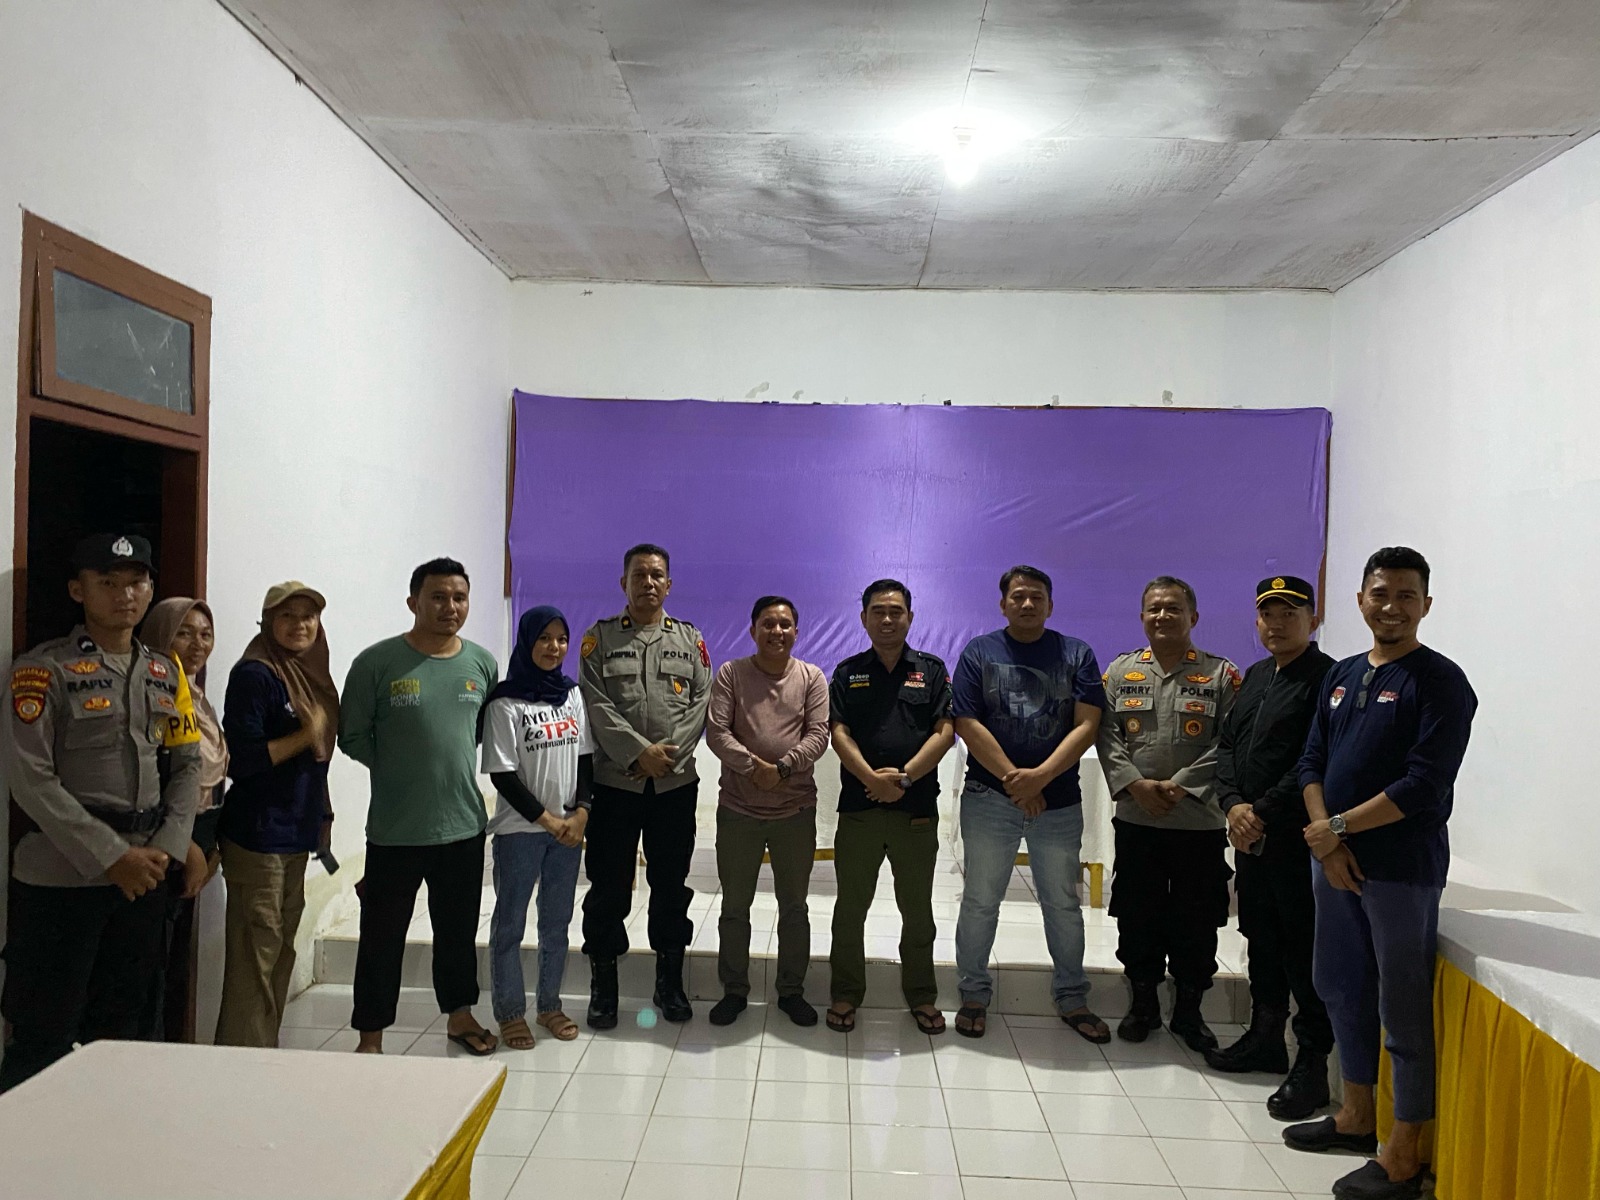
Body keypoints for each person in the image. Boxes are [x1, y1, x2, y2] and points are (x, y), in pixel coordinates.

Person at [1286, 548, 1476, 1200]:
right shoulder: (1340, 675)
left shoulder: (1441, 682)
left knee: (1402, 1008)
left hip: (1399, 870)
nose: (1391, 607)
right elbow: (1312, 761)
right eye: (1380, 594)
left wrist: (1337, 830)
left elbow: (1425, 784)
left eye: (1405, 596)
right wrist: (1327, 840)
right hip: (1334, 863)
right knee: (1339, 986)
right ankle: (1356, 1115)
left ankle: (1403, 1155)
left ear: (1426, 604)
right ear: (1360, 600)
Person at [0, 534, 201, 1091]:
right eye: (107, 583)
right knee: (43, 1035)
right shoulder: (42, 671)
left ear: (151, 590)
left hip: (144, 878)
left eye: (136, 583)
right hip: (63, 880)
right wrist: (112, 856)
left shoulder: (165, 672)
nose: (124, 595)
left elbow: (187, 764)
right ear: (77, 590)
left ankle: (111, 1136)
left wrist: (166, 846)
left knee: (124, 1032)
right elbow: (30, 779)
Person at [340, 558, 500, 1055]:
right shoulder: (376, 663)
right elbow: (352, 736)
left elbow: (479, 733)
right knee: (381, 937)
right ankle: (370, 1037)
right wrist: (398, 765)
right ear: (413, 602)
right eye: (438, 597)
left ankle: (460, 1016)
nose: (450, 607)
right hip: (396, 830)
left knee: (457, 933)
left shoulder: (481, 663)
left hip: (463, 826)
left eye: (459, 597)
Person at [951, 565, 1109, 1043]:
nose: (1026, 603)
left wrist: (1040, 777)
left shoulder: (1076, 653)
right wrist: (1014, 780)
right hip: (989, 798)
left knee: (1062, 903)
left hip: (1057, 800)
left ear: (1050, 605)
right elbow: (966, 722)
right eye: (1017, 596)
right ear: (1003, 604)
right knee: (981, 900)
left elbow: (1088, 725)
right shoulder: (979, 652)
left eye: (1036, 597)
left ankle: (1072, 995)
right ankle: (973, 993)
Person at [1206, 575, 1336, 1120]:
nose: (1277, 624)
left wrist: (1259, 811)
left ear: (1313, 618)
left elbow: (1314, 758)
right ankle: (1264, 1037)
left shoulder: (1328, 679)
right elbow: (1229, 746)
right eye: (1268, 614)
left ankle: (1312, 1061)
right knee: (1260, 936)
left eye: (1289, 613)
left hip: (1295, 840)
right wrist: (1232, 803)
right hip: (1250, 838)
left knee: (1303, 948)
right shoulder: (1257, 675)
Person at [1097, 576, 1239, 1050]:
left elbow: (1230, 742)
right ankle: (1142, 1005)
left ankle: (1189, 1012)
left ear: (1193, 617)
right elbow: (1106, 735)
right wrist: (1135, 784)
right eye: (1154, 608)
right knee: (1138, 914)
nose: (1163, 616)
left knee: (1197, 919)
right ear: (1142, 617)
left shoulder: (1221, 675)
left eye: (1173, 608)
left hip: (1198, 823)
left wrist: (1181, 787)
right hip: (1138, 820)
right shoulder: (1121, 672)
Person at [578, 544, 711, 1028]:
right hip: (616, 784)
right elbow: (595, 703)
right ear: (624, 583)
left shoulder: (690, 640)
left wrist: (664, 758)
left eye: (657, 575)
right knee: (608, 885)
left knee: (671, 885)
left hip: (674, 786)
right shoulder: (599, 639)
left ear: (669, 585)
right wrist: (638, 754)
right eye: (639, 575)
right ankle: (604, 988)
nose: (648, 583)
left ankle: (669, 983)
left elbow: (701, 701)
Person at [826, 579, 955, 1034]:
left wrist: (904, 778)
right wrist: (870, 779)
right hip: (859, 809)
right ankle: (845, 993)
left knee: (917, 911)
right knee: (850, 909)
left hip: (914, 808)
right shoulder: (848, 672)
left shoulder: (932, 670)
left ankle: (921, 995)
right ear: (863, 618)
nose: (887, 619)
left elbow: (945, 731)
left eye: (895, 611)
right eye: (878, 611)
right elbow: (838, 731)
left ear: (910, 618)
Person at [214, 582, 339, 1048]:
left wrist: (323, 815)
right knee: (256, 956)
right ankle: (241, 1061)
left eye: (309, 616)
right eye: (288, 616)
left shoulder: (307, 672)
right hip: (258, 834)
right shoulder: (256, 675)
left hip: (295, 831)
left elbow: (316, 762)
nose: (300, 625)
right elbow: (243, 761)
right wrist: (306, 735)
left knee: (280, 950)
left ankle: (263, 1050)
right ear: (267, 623)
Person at [705, 596, 830, 1027]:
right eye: (768, 624)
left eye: (785, 624)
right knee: (734, 907)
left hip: (794, 811)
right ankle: (734, 990)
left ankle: (791, 991)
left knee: (794, 907)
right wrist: (752, 767)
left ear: (797, 631)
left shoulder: (812, 678)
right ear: (753, 629)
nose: (777, 631)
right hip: (738, 810)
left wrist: (782, 769)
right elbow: (717, 732)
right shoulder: (731, 674)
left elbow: (819, 735)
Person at [480, 606, 592, 1049]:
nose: (554, 647)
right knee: (510, 924)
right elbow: (502, 775)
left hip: (567, 832)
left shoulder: (571, 695)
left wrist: (581, 813)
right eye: (544, 638)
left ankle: (549, 1005)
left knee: (556, 923)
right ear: (527, 642)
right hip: (520, 832)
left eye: (561, 639)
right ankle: (510, 1012)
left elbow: (585, 759)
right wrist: (548, 821)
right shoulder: (505, 702)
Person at [139, 597, 230, 1042]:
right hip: (169, 834)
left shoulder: (196, 696)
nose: (198, 644)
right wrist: (188, 846)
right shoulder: (153, 695)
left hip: (202, 828)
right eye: (184, 633)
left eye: (205, 634)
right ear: (160, 635)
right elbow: (155, 776)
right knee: (150, 958)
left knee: (175, 955)